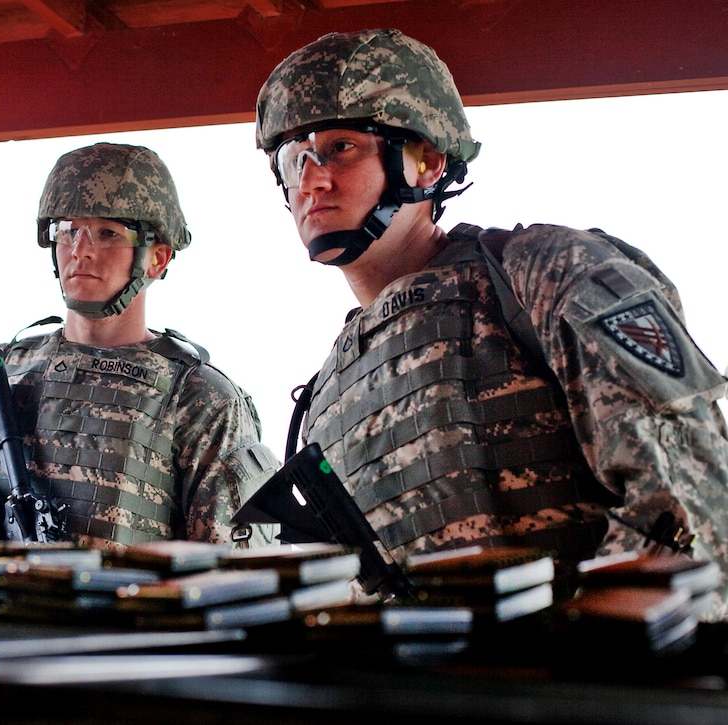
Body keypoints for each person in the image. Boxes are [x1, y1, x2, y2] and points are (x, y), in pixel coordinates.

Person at [254, 28, 728, 614]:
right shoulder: (325, 394)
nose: (311, 179)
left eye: (342, 147)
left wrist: (576, 671)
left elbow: (690, 498)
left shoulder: (544, 273)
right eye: (294, 158)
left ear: (426, 161)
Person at [0, 142, 279, 548]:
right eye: (67, 231)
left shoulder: (198, 397)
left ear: (157, 258)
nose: (80, 251)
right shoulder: (0, 376)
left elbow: (239, 569)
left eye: (108, 233)